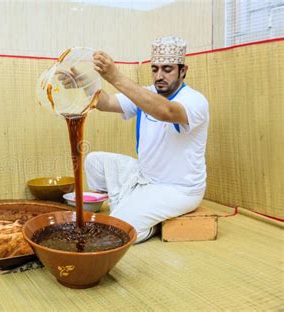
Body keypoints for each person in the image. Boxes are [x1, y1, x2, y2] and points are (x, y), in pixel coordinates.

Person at [85, 36, 209, 243]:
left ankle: (148, 227)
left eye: (167, 69)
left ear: (183, 70)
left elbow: (166, 111)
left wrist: (115, 76)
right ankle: (134, 207)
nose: (159, 75)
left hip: (178, 189)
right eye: (155, 69)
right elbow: (106, 102)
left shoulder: (195, 100)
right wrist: (82, 82)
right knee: (93, 161)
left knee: (115, 231)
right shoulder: (146, 93)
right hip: (144, 177)